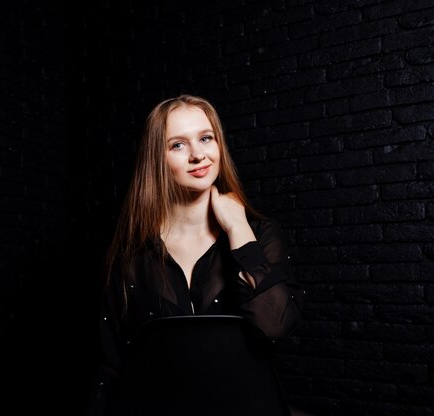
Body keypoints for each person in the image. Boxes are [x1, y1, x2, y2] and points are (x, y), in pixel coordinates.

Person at [86, 94, 306, 415]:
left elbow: (274, 326)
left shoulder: (259, 233)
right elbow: (113, 363)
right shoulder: (132, 252)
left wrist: (238, 230)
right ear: (156, 159)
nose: (198, 155)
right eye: (178, 145)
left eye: (206, 138)